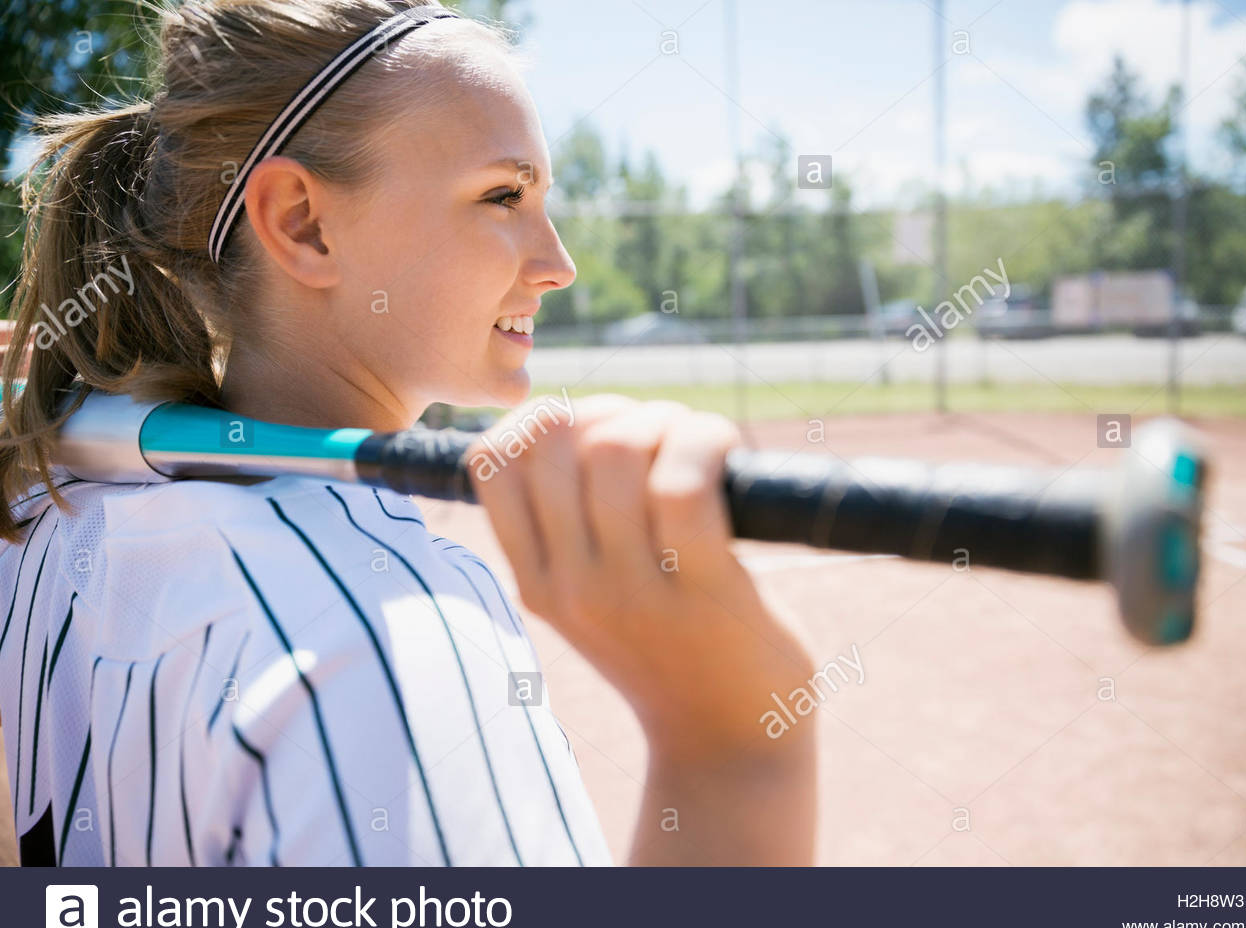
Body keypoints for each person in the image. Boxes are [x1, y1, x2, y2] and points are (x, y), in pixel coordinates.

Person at [0, 0, 816, 866]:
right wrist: (731, 743)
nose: (560, 262)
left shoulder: (42, 512)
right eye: (504, 195)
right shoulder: (384, 637)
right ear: (303, 224)